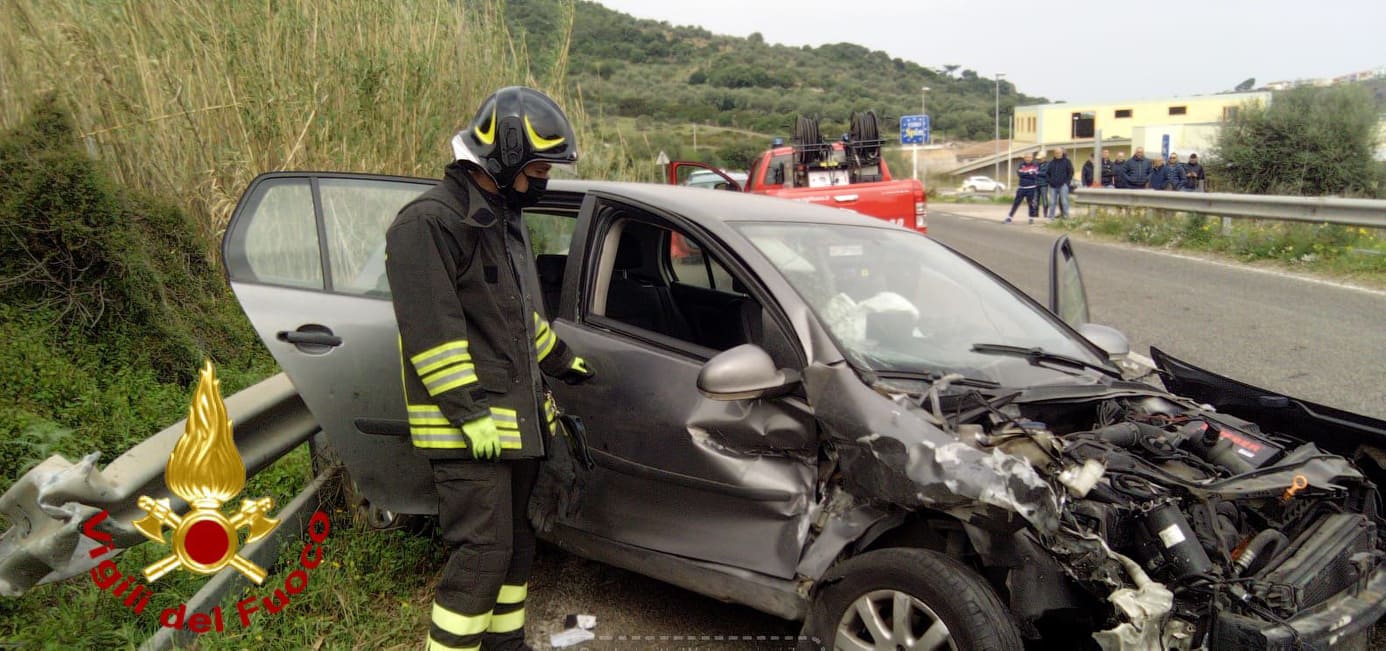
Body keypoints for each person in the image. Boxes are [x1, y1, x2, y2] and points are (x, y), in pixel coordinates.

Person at [385, 86, 594, 651]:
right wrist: (469, 413)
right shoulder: (428, 223)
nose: (542, 181)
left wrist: (561, 360)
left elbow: (514, 318)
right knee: (481, 557)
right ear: (504, 158)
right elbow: (433, 332)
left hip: (514, 422)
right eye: (537, 170)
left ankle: (506, 645)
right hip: (468, 431)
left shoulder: (499, 219)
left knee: (517, 548)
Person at [1005, 152, 1041, 224]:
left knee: (1031, 204)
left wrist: (1026, 173)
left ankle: (1031, 218)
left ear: (1032, 158)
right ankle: (1009, 217)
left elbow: (1034, 175)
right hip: (1021, 187)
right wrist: (1029, 173)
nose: (1028, 159)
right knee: (1016, 203)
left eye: (1029, 157)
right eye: (1026, 157)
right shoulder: (1021, 165)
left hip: (1031, 187)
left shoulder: (1035, 165)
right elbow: (1020, 174)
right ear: (1024, 158)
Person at [1045, 147, 1074, 219]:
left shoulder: (1067, 162)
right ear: (1054, 154)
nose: (1057, 154)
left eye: (1059, 153)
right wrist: (1049, 181)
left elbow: (1070, 172)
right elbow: (1047, 173)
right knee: (1052, 202)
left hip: (1063, 185)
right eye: (1056, 153)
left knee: (1064, 202)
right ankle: (1051, 217)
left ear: (1062, 153)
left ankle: (1066, 216)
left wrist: (1067, 182)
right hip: (1052, 186)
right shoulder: (1051, 163)